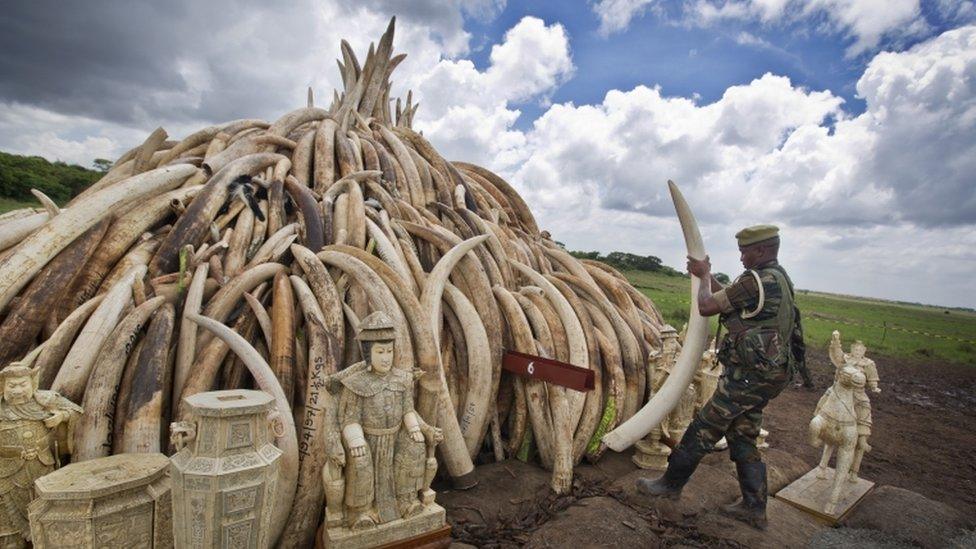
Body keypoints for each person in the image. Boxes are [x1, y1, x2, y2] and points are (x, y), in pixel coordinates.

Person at [636, 224, 802, 530]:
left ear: (761, 250)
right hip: (768, 374)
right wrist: (704, 275)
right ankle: (754, 507)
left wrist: (703, 275)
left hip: (748, 376)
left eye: (745, 251)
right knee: (743, 432)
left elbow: (706, 305)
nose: (741, 256)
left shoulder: (755, 281)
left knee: (704, 427)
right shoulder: (777, 278)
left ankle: (669, 486)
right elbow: (724, 295)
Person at [0, 361, 81, 547]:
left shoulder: (44, 400)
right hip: (6, 475)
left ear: (32, 383)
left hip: (42, 468)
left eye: (23, 384)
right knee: (9, 532)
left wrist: (61, 417)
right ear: (3, 386)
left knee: (46, 519)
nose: (18, 390)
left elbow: (76, 410)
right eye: (12, 386)